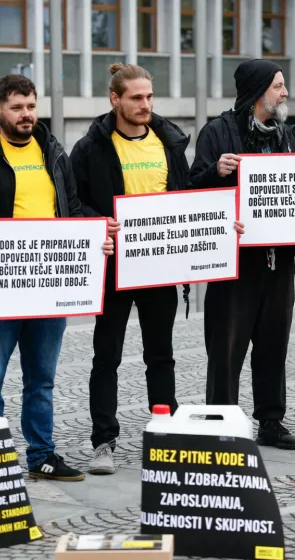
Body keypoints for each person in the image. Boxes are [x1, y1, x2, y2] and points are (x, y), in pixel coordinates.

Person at [0, 74, 115, 481]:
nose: (26, 114)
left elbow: (71, 209)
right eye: (17, 107)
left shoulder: (54, 152)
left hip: (50, 286)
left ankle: (42, 455)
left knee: (42, 380)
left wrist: (95, 235)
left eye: (31, 106)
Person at [70, 63, 190, 475]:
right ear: (115, 99)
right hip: (113, 267)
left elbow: (187, 196)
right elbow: (73, 202)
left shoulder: (169, 142)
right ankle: (103, 441)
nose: (145, 104)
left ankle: (165, 432)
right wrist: (96, 221)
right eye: (136, 97)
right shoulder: (91, 148)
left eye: (149, 97)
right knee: (107, 356)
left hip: (159, 265)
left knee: (161, 355)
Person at [188, 59, 295, 450]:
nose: (285, 93)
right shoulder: (218, 133)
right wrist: (215, 172)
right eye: (278, 86)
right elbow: (191, 191)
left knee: (274, 345)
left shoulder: (289, 137)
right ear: (257, 92)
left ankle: (271, 421)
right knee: (226, 348)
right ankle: (221, 423)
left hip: (279, 261)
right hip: (234, 264)